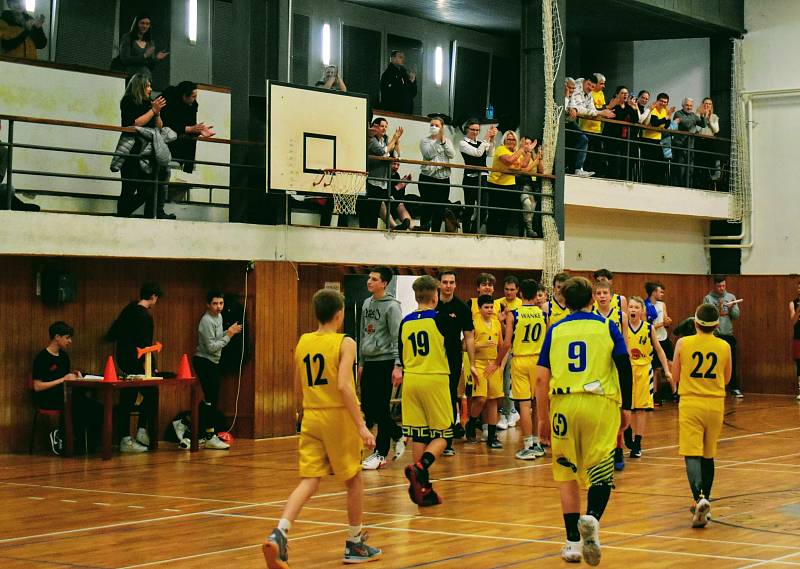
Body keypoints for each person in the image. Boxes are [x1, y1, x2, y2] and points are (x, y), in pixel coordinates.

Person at [262, 289, 382, 568]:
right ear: (339, 315)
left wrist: (300, 412)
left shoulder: (303, 341)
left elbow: (297, 384)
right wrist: (362, 426)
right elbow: (343, 386)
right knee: (353, 479)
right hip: (337, 417)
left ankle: (279, 532)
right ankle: (355, 543)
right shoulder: (345, 342)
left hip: (311, 415)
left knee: (310, 480)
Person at [536, 276, 632, 565]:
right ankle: (592, 518)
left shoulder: (554, 330)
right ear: (593, 299)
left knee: (566, 474)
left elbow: (541, 378)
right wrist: (627, 406)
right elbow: (624, 366)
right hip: (598, 403)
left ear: (563, 300)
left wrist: (542, 419)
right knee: (600, 468)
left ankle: (572, 544)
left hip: (563, 404)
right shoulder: (607, 326)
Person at [669, 303, 732, 529]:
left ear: (695, 323)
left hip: (691, 402)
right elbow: (726, 379)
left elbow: (675, 375)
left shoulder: (683, 343)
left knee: (691, 454)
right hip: (715, 404)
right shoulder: (724, 346)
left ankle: (699, 498)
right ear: (716, 325)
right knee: (708, 454)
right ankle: (706, 500)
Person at [398, 276, 455, 506]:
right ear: (436, 296)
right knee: (443, 434)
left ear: (415, 296)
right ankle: (421, 468)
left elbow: (402, 354)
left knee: (419, 433)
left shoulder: (406, 321)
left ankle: (422, 487)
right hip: (435, 377)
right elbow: (452, 353)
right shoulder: (442, 319)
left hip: (411, 379)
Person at [106, 282, 162, 453]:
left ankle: (125, 437)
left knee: (127, 397)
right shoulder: (145, 316)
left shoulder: (128, 309)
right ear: (154, 297)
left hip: (123, 359)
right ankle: (141, 431)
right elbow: (145, 345)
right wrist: (151, 369)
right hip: (137, 361)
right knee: (151, 394)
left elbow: (112, 334)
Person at [359, 266, 405, 470]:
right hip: (369, 361)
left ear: (384, 283)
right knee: (369, 407)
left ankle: (381, 453)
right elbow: (363, 333)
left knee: (381, 406)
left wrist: (398, 365)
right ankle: (398, 434)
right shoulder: (366, 303)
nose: (369, 281)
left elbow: (397, 337)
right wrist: (361, 362)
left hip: (386, 361)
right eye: (369, 278)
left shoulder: (392, 306)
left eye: (374, 279)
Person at [31, 322, 101, 455]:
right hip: (48, 397)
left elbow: (66, 377)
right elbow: (37, 386)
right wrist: (62, 380)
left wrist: (76, 376)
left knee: (95, 407)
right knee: (79, 406)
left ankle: (85, 444)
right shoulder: (42, 358)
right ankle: (66, 439)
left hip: (65, 394)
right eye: (67, 337)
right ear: (57, 337)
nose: (70, 341)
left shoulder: (64, 357)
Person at [117, 74, 175, 219]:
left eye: (150, 85)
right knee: (129, 186)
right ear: (139, 86)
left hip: (148, 149)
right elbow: (134, 123)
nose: (150, 89)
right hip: (133, 148)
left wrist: (158, 113)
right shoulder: (128, 101)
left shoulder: (150, 103)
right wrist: (153, 111)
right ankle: (122, 214)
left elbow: (159, 127)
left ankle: (138, 213)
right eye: (147, 86)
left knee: (147, 189)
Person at [193, 291, 243, 450]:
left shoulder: (219, 317)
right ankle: (208, 435)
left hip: (213, 362)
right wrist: (229, 335)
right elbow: (212, 347)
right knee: (210, 399)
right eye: (215, 303)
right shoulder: (206, 321)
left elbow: (216, 338)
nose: (219, 307)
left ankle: (205, 434)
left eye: (221, 303)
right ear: (208, 305)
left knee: (212, 399)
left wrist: (228, 331)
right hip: (204, 361)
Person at [504, 279, 547, 460]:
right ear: (536, 294)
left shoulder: (514, 314)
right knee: (537, 403)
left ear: (520, 293)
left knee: (524, 404)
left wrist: (497, 362)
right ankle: (537, 443)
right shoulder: (544, 314)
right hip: (538, 360)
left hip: (521, 360)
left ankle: (528, 445)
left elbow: (507, 343)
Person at [436, 270, 477, 456]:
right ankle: (432, 436)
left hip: (452, 357)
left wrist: (473, 364)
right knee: (434, 396)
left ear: (455, 285)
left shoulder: (461, 307)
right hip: (433, 358)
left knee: (450, 396)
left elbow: (469, 337)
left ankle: (448, 440)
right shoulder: (431, 304)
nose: (448, 285)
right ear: (439, 284)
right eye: (445, 282)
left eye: (451, 282)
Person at [626, 296, 671, 458]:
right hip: (627, 370)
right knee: (627, 407)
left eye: (636, 307)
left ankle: (637, 442)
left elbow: (659, 350)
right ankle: (627, 433)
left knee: (641, 408)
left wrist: (666, 370)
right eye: (630, 307)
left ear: (642, 311)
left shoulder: (648, 328)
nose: (633, 310)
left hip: (644, 370)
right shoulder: (622, 327)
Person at [465, 295, 507, 449]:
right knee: (481, 399)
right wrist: (480, 344)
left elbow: (502, 345)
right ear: (480, 308)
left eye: (491, 307)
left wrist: (500, 365)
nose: (489, 310)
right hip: (479, 365)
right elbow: (463, 346)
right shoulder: (473, 323)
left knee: (493, 401)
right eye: (486, 307)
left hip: (493, 365)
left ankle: (491, 436)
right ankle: (471, 423)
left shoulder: (496, 324)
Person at [486, 132, 537, 236]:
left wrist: (528, 152)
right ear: (504, 140)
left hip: (510, 185)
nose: (511, 142)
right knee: (495, 213)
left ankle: (501, 235)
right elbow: (509, 161)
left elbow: (524, 165)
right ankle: (491, 235)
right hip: (496, 184)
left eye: (513, 140)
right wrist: (522, 149)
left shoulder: (515, 152)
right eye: (509, 139)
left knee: (506, 213)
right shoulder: (501, 149)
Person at [161, 81, 215, 176]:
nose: (195, 99)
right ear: (184, 96)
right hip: (166, 141)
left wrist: (199, 130)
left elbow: (191, 126)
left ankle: (187, 170)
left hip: (182, 143)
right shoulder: (168, 99)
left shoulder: (193, 105)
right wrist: (190, 129)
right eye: (193, 97)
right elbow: (165, 123)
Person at [703, 276, 742, 397]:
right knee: (713, 362)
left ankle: (734, 387)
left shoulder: (731, 297)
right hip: (714, 335)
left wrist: (730, 309)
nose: (722, 288)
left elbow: (736, 315)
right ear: (714, 286)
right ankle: (713, 386)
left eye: (724, 286)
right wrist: (718, 307)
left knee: (731, 362)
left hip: (728, 334)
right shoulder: (708, 298)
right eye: (719, 286)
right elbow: (705, 316)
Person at [569, 76, 615, 178]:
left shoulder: (589, 92)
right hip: (565, 119)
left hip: (569, 120)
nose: (590, 88)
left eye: (592, 86)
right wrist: (600, 112)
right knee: (580, 140)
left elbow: (590, 108)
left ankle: (578, 169)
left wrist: (600, 113)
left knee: (582, 140)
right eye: (589, 85)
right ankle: (575, 168)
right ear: (584, 82)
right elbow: (579, 108)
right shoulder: (577, 86)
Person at [363, 117, 403, 229]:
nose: (384, 129)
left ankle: (392, 226)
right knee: (372, 211)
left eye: (386, 126)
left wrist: (397, 141)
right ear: (375, 126)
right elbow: (382, 152)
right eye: (382, 126)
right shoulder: (371, 140)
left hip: (383, 181)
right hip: (373, 180)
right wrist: (394, 139)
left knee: (379, 208)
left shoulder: (385, 139)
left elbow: (396, 155)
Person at [459, 120, 497, 233]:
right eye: (473, 129)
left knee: (484, 208)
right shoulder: (463, 143)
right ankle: (466, 233)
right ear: (467, 129)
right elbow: (477, 153)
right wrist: (486, 139)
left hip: (482, 177)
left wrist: (492, 139)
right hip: (470, 177)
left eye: (477, 130)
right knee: (469, 208)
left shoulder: (481, 142)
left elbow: (490, 153)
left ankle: (473, 231)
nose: (475, 132)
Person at [418, 117, 455, 232]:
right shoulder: (424, 140)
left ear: (442, 128)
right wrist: (438, 141)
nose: (433, 127)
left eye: (437, 125)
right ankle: (423, 232)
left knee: (440, 209)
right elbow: (428, 154)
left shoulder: (447, 140)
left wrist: (443, 141)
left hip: (443, 179)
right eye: (432, 125)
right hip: (428, 178)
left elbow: (452, 154)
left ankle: (436, 233)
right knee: (427, 207)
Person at [495, 276, 523, 430]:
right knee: (500, 381)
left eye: (512, 290)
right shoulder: (497, 303)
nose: (509, 292)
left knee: (509, 382)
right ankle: (508, 411)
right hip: (500, 345)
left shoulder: (521, 305)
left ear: (518, 290)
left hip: (516, 346)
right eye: (506, 289)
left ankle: (510, 411)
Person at [604, 86, 640, 181]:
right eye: (623, 93)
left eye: (626, 93)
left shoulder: (628, 106)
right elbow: (613, 115)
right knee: (614, 160)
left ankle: (622, 179)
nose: (625, 95)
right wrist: (612, 105)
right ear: (617, 94)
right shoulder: (612, 104)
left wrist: (634, 108)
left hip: (623, 138)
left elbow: (635, 120)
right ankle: (611, 178)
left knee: (624, 160)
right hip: (612, 136)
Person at [646, 281, 673, 405]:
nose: (662, 294)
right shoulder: (645, 305)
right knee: (655, 368)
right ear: (653, 292)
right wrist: (663, 323)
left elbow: (665, 319)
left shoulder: (662, 305)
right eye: (660, 291)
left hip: (664, 338)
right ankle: (654, 394)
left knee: (671, 364)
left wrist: (667, 321)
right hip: (653, 339)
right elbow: (647, 326)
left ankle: (675, 392)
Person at [117, 14, 168, 79]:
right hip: (131, 77)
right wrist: (144, 56)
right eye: (142, 23)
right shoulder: (127, 37)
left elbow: (150, 66)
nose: (145, 26)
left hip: (146, 78)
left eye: (147, 24)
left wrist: (157, 59)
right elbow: (125, 60)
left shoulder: (150, 42)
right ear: (136, 24)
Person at [640, 93, 675, 185]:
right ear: (657, 101)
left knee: (660, 163)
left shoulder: (664, 111)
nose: (663, 104)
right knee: (649, 163)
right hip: (647, 139)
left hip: (657, 139)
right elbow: (655, 123)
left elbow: (666, 126)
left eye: (665, 102)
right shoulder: (654, 109)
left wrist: (669, 116)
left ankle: (657, 182)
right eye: (661, 101)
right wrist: (666, 117)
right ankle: (647, 182)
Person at [672, 98, 706, 187]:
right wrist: (697, 115)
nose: (689, 107)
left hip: (690, 146)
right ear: (683, 105)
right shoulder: (678, 113)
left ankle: (688, 187)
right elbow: (686, 124)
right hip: (680, 146)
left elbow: (703, 125)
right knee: (680, 169)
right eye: (687, 105)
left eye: (691, 105)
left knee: (690, 170)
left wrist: (702, 115)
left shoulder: (693, 115)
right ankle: (679, 188)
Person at [379, 160, 414, 230]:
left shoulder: (396, 175)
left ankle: (412, 226)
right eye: (394, 164)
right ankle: (395, 226)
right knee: (381, 203)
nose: (396, 167)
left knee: (400, 203)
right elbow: (381, 194)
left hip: (391, 203)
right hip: (381, 204)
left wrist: (403, 185)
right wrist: (398, 186)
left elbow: (398, 196)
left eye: (398, 165)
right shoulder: (382, 175)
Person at [696, 97, 722, 189]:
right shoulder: (697, 114)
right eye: (706, 103)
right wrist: (702, 117)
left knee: (710, 161)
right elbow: (697, 129)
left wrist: (710, 121)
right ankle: (700, 182)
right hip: (700, 141)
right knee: (700, 163)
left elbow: (716, 130)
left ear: (711, 106)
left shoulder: (714, 116)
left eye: (709, 104)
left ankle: (711, 179)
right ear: (702, 104)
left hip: (710, 141)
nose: (707, 105)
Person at [790, 281, 800, 400]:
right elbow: (793, 321)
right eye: (799, 288)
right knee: (799, 363)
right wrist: (798, 310)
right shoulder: (793, 303)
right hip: (798, 336)